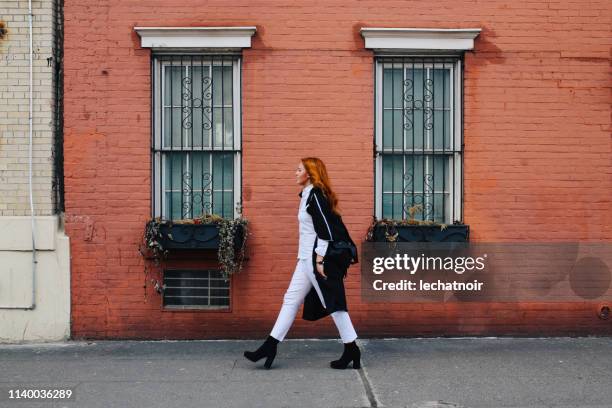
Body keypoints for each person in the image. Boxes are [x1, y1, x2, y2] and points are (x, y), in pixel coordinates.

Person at [243, 157, 361, 369]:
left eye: (299, 170)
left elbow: (326, 231)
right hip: (305, 259)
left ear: (310, 174)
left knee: (333, 304)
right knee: (291, 300)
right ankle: (270, 346)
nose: (294, 173)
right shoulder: (307, 194)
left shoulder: (315, 195)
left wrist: (320, 260)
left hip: (316, 259)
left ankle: (352, 348)